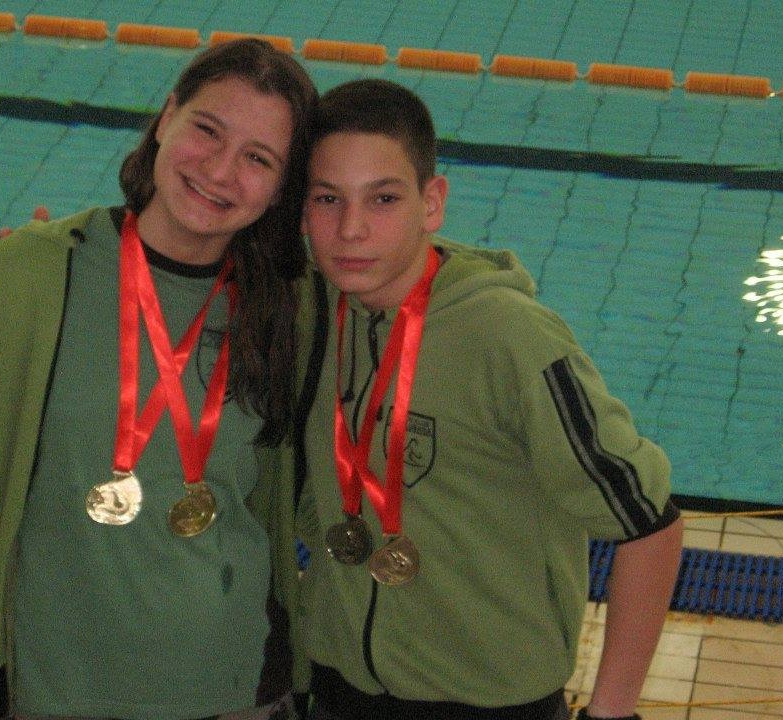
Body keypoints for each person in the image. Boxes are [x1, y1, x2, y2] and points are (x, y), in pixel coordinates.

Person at [0, 38, 317, 720]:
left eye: (258, 159)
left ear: (281, 188)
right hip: (56, 692)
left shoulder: (287, 309)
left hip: (236, 688)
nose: (220, 170)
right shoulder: (34, 275)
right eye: (207, 130)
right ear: (167, 117)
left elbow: (398, 268)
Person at [282, 79, 684, 720]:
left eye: (383, 198)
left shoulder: (512, 338)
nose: (351, 229)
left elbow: (649, 524)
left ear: (432, 202)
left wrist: (612, 712)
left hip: (489, 702)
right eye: (328, 199)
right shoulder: (311, 313)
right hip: (336, 684)